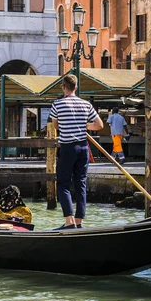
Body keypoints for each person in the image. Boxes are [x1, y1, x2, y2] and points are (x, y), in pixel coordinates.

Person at [50, 75, 104, 230]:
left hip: (68, 148)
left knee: (63, 184)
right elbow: (99, 125)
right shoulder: (86, 104)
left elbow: (56, 126)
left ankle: (69, 221)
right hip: (83, 148)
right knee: (80, 183)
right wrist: (83, 125)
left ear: (63, 87)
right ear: (76, 87)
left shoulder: (58, 104)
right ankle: (79, 221)